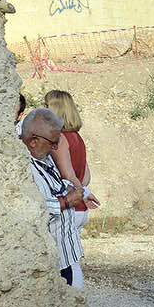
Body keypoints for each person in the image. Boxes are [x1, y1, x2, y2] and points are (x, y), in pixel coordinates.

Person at [20, 106, 96, 285]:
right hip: (49, 261)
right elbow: (28, 208)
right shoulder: (22, 168)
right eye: (52, 143)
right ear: (33, 141)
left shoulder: (44, 158)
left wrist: (72, 190)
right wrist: (66, 201)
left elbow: (60, 182)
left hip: (65, 255)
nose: (55, 147)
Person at [42, 90, 98, 288]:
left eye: (47, 105)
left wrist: (79, 191)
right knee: (71, 258)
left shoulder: (60, 139)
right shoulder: (77, 137)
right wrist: (85, 191)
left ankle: (75, 301)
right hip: (79, 207)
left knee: (66, 261)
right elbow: (86, 175)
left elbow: (67, 175)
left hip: (69, 207)